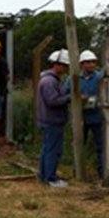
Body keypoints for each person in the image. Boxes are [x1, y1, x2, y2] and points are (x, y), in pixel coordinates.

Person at [37, 49, 71, 187]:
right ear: (56, 64)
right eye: (63, 65)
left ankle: (44, 175)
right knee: (53, 150)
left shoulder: (50, 80)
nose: (65, 68)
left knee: (47, 149)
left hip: (49, 120)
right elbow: (53, 101)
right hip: (52, 120)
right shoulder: (49, 81)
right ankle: (50, 178)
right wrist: (70, 97)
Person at [76, 50, 104, 178]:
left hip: (97, 117)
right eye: (88, 62)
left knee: (101, 145)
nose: (91, 65)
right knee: (79, 144)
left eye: (93, 62)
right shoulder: (75, 79)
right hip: (81, 118)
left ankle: (102, 171)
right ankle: (78, 171)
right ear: (82, 64)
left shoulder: (99, 77)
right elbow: (66, 92)